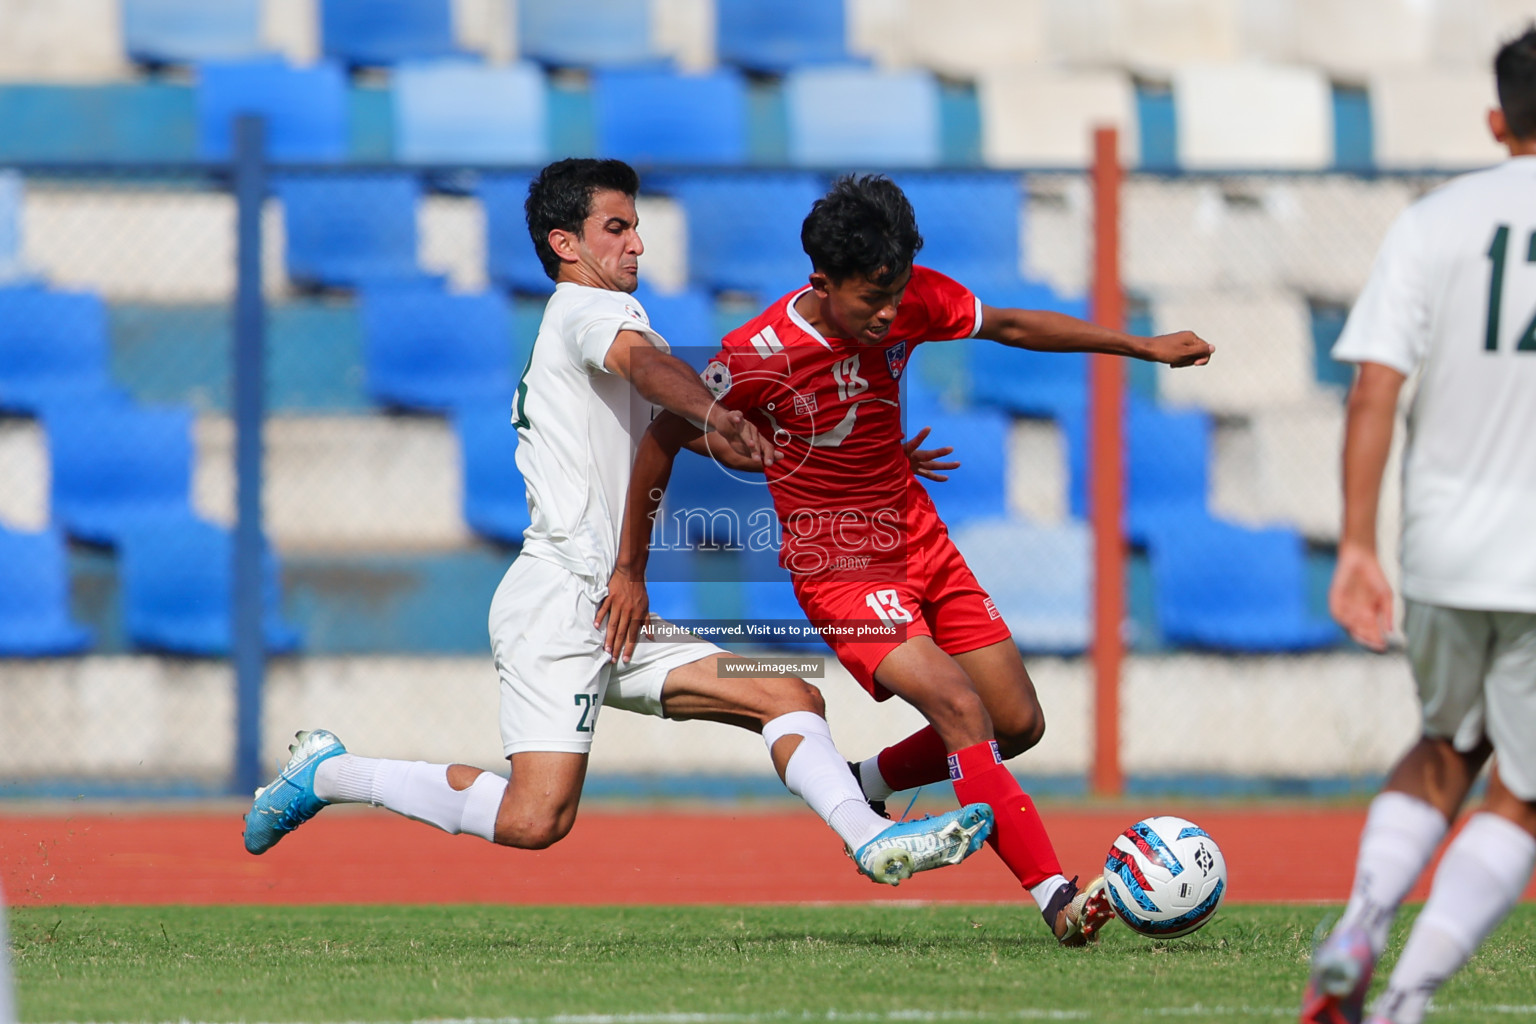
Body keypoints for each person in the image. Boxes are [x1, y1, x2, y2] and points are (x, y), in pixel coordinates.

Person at [241, 158, 995, 886]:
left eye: (637, 225)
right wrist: (712, 406)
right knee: (535, 818)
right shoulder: (589, 310)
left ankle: (871, 840)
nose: (636, 242)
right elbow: (652, 374)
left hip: (618, 617)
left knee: (787, 691)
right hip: (560, 608)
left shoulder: (598, 324)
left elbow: (673, 416)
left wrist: (838, 449)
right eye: (616, 227)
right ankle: (332, 772)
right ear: (565, 246)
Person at [606, 174, 1213, 943]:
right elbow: (665, 433)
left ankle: (865, 784)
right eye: (871, 299)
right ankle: (1058, 898)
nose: (891, 313)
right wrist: (637, 563)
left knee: (1014, 722)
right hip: (838, 563)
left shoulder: (909, 294)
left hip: (918, 534)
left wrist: (1140, 346)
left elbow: (1014, 327)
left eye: (896, 293)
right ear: (821, 284)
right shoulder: (759, 353)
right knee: (960, 708)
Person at [1300, 28, 1536, 1024]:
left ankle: (1359, 920)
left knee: (1445, 744)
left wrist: (1358, 540)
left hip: (1442, 546)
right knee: (1520, 797)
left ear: (1497, 120)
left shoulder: (1435, 219)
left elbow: (1374, 390)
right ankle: (1404, 996)